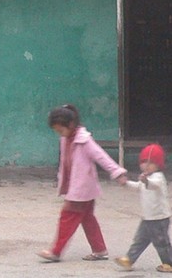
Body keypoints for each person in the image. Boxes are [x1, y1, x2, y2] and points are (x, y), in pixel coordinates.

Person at [37, 103, 127, 263]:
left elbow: (101, 156)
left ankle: (56, 251)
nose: (60, 134)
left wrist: (117, 172)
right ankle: (100, 250)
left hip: (82, 188)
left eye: (60, 130)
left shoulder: (84, 140)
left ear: (71, 125)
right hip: (78, 187)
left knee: (67, 217)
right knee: (87, 218)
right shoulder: (66, 139)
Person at [115, 143, 172, 273]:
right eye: (143, 162)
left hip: (159, 218)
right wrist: (126, 183)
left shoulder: (158, 177)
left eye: (150, 163)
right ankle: (129, 260)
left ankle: (170, 264)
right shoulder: (146, 178)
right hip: (148, 218)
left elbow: (153, 185)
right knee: (139, 240)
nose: (146, 165)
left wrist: (146, 182)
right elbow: (138, 186)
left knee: (161, 242)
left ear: (158, 165)